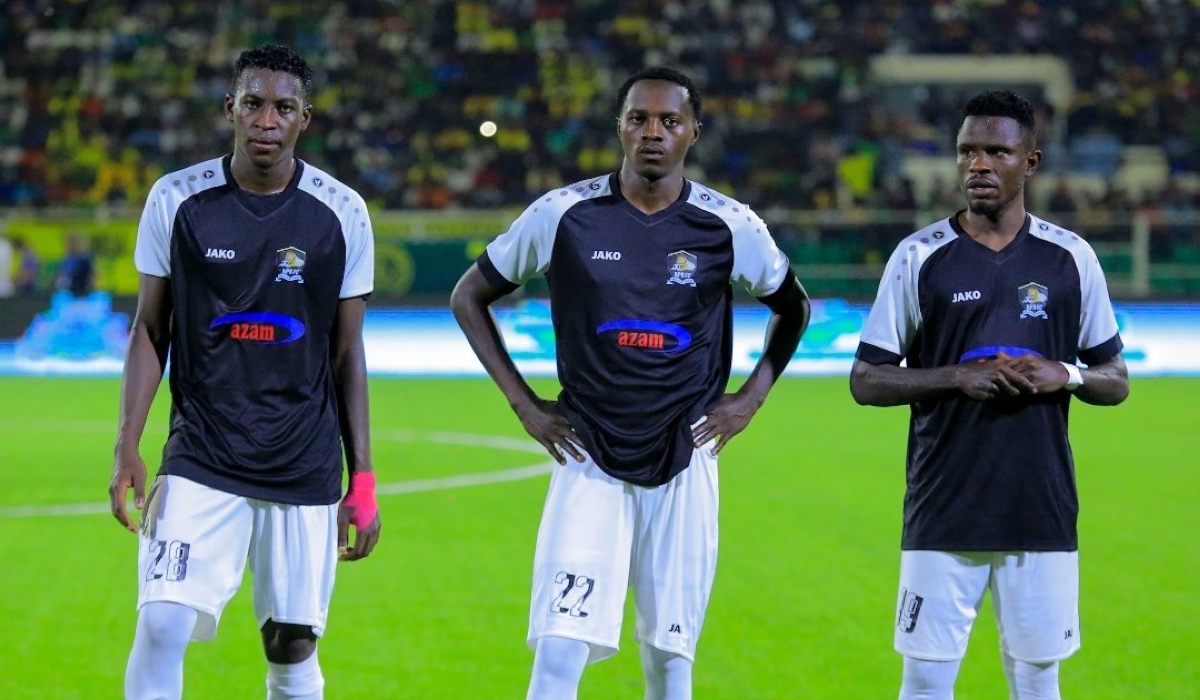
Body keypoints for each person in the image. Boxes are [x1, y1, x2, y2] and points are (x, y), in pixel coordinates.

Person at [451, 66, 810, 700]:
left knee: (670, 661)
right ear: (618, 128)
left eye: (669, 121)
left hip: (687, 455)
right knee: (558, 654)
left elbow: (794, 306)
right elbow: (470, 294)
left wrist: (750, 400)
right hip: (586, 453)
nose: (653, 132)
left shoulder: (728, 224)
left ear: (692, 132)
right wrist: (524, 405)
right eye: (639, 119)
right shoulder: (564, 214)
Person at [108, 44, 381, 700]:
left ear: (304, 119)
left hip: (302, 459)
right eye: (253, 103)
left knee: (290, 646)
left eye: (283, 107)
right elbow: (151, 328)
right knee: (164, 621)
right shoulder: (176, 199)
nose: (266, 119)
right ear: (230, 108)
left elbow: (347, 355)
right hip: (202, 453)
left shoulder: (342, 212)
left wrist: (363, 476)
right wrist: (128, 444)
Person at [849, 90, 1129, 700]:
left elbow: (1116, 379)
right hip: (943, 508)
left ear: (1029, 161)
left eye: (996, 151)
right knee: (924, 682)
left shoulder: (1071, 259)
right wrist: (955, 376)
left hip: (1041, 509)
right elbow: (866, 379)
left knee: (1036, 681)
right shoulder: (918, 256)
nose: (978, 164)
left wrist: (1069, 374)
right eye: (967, 151)